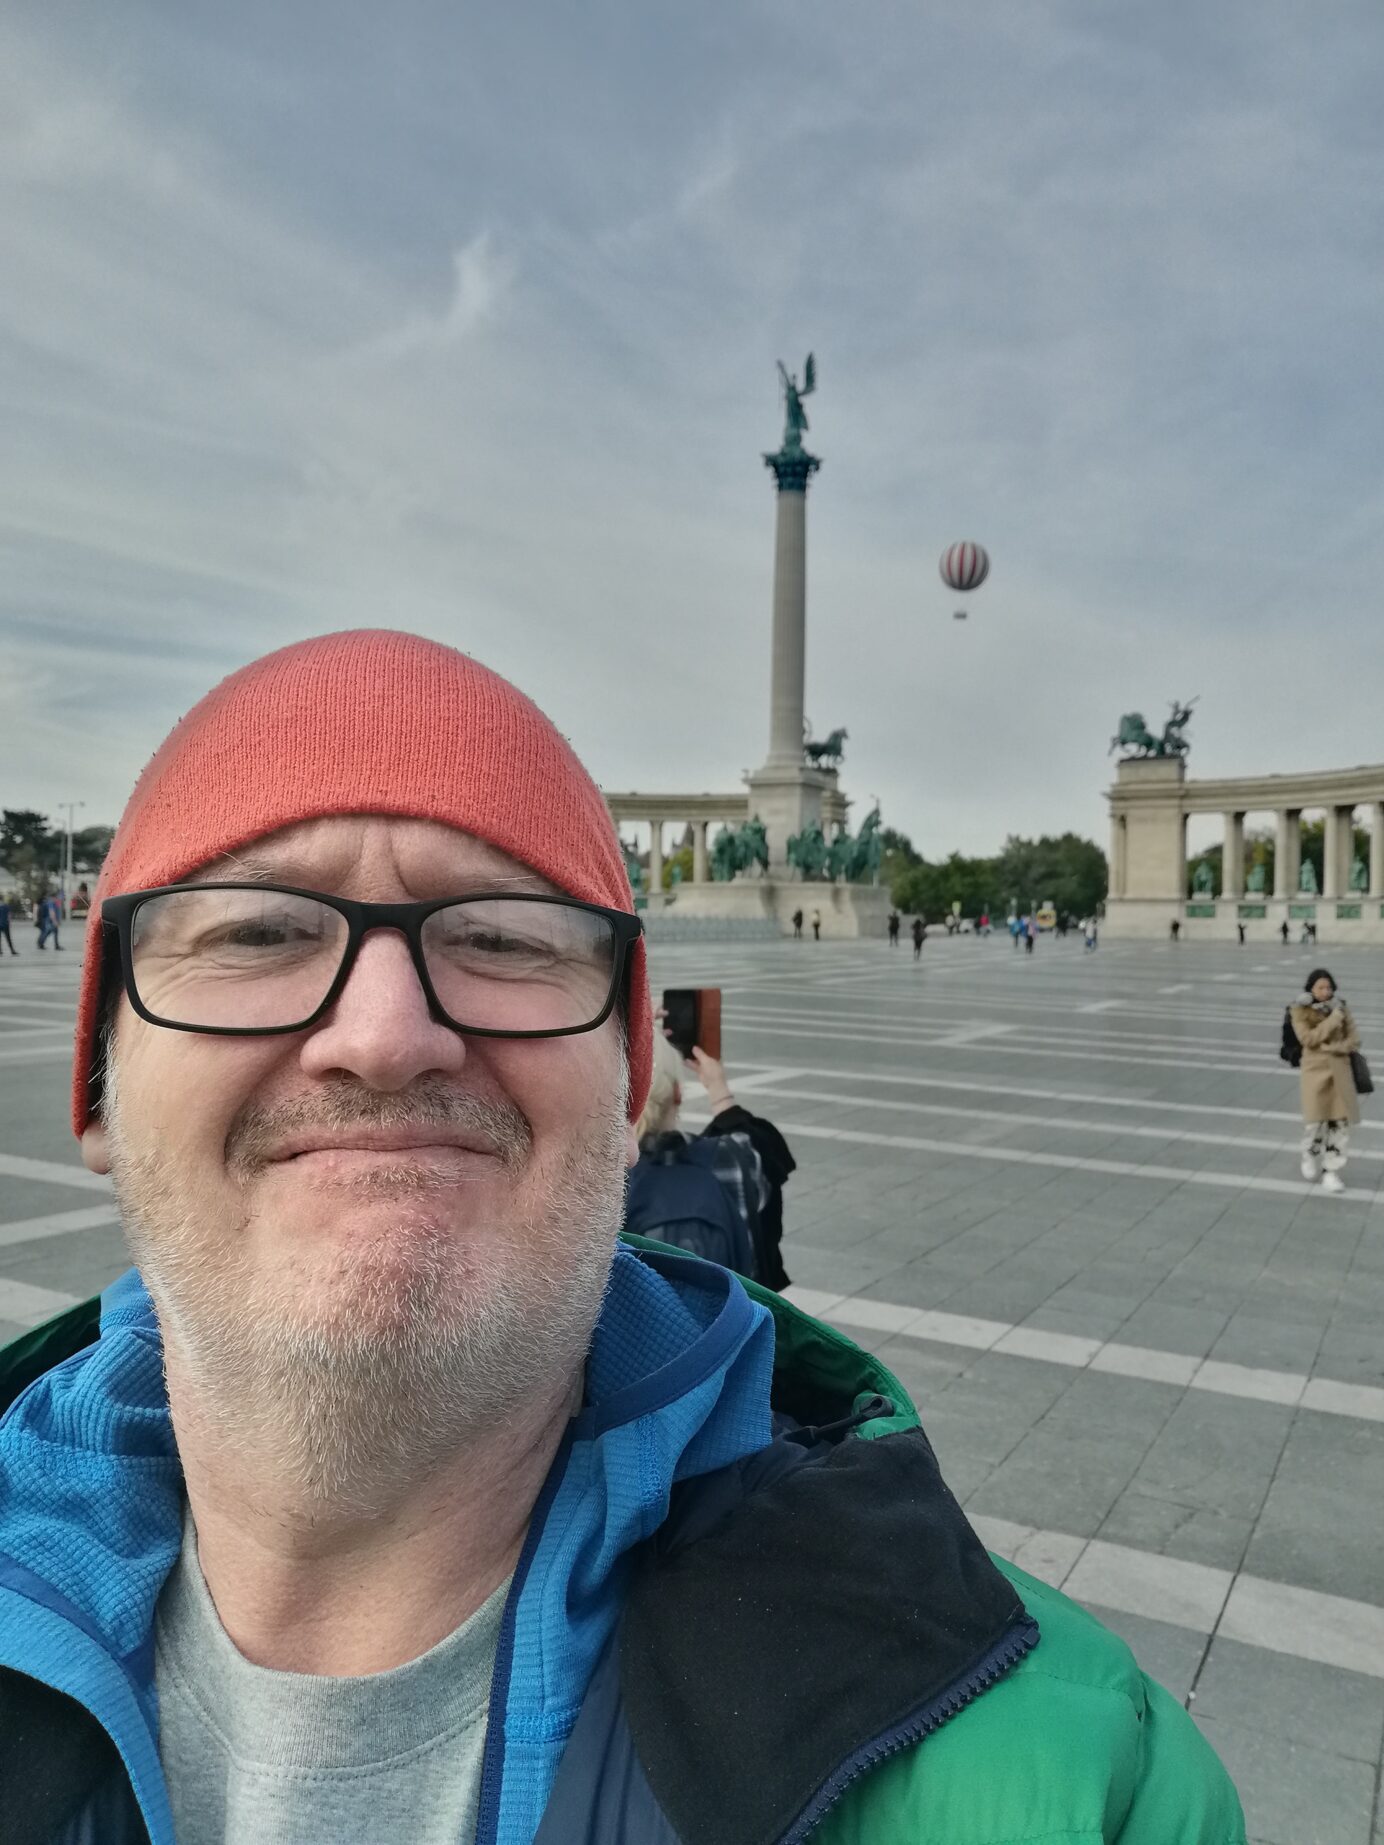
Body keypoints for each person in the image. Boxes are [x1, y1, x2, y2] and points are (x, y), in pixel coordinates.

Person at [0, 631, 1242, 1842]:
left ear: (627, 1082)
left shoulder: (1075, 1786)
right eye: (257, 932)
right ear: (98, 1090)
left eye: (500, 937)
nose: (382, 1036)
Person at [625, 1028, 792, 1290]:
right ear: (678, 1093)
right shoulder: (732, 1157)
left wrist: (636, 1026)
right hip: (732, 1314)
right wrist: (717, 1087)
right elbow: (768, 1148)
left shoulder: (602, 1174)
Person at [1291, 967, 1361, 1195]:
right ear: (1310, 989)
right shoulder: (1300, 1010)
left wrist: (1334, 1048)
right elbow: (1308, 1039)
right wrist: (1333, 1020)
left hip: (1340, 1072)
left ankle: (1331, 1171)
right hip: (1314, 1073)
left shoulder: (1341, 1008)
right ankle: (1309, 1154)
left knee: (1339, 1125)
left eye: (1328, 987)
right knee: (1314, 1123)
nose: (1325, 991)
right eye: (1320, 987)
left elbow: (1354, 1040)